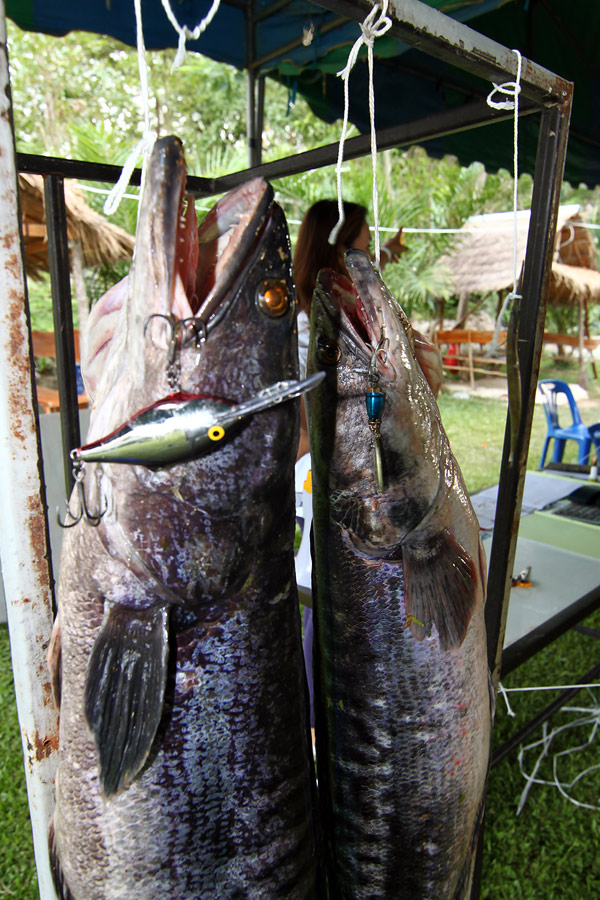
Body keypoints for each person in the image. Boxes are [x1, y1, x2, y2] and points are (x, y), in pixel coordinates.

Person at [292, 199, 409, 730]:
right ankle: (325, 718)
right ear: (342, 242)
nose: (368, 249)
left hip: (346, 475)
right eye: (364, 239)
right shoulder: (311, 324)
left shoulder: (328, 307)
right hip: (327, 480)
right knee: (335, 593)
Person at [293, 199, 408, 457]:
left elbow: (369, 268)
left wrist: (388, 252)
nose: (368, 261)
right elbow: (306, 426)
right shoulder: (307, 330)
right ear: (340, 254)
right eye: (365, 248)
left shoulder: (330, 311)